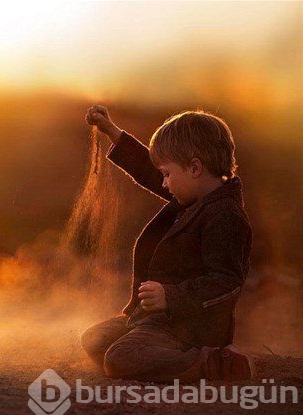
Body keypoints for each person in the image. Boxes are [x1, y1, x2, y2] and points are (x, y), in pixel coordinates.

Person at [81, 106, 253, 382]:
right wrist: (113, 132)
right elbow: (150, 171)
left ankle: (213, 364)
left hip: (188, 327)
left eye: (167, 174)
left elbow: (226, 281)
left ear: (195, 167)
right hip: (157, 318)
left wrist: (170, 296)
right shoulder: (195, 196)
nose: (163, 183)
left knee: (119, 358)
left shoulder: (226, 217)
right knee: (94, 339)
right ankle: (156, 349)